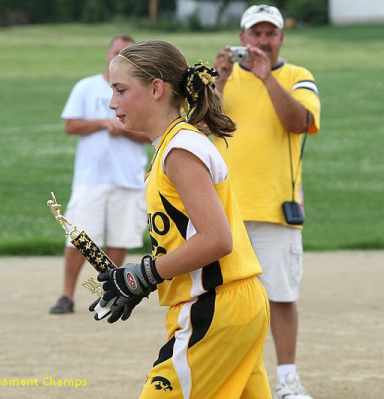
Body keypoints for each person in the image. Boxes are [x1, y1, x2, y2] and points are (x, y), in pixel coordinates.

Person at [89, 40, 272, 399]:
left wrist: (144, 273)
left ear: (156, 88)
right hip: (232, 303)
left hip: (215, 305)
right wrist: (141, 282)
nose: (113, 103)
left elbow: (216, 239)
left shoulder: (180, 150)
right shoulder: (175, 146)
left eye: (121, 90)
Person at [213, 5, 321, 399]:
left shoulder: (298, 76)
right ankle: (235, 377)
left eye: (269, 34)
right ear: (241, 39)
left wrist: (267, 79)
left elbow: (299, 122)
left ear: (281, 38)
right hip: (224, 212)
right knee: (225, 300)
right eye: (254, 34)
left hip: (276, 207)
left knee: (281, 296)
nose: (262, 41)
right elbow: (203, 125)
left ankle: (287, 379)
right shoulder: (221, 77)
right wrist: (220, 79)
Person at [50, 35, 149, 314]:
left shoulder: (140, 91)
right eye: (118, 51)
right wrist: (102, 122)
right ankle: (67, 295)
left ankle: (111, 294)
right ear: (108, 53)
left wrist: (125, 130)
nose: (121, 56)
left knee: (119, 239)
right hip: (91, 178)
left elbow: (151, 133)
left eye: (129, 53)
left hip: (127, 178)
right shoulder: (87, 87)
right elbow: (71, 126)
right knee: (80, 238)